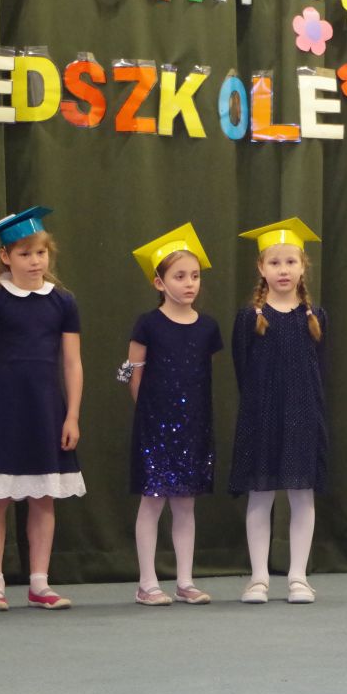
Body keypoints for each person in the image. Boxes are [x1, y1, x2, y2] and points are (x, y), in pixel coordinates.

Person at [0, 206, 85, 612]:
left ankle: (39, 582)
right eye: (25, 254)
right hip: (3, 410)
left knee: (43, 497)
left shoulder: (63, 302)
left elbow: (72, 363)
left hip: (45, 410)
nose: (35, 261)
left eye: (41, 253)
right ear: (5, 256)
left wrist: (72, 415)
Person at [123, 224, 222, 606]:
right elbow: (132, 373)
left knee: (185, 504)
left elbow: (201, 376)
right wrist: (150, 414)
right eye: (180, 276)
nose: (189, 283)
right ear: (159, 282)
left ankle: (185, 580)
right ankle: (147, 583)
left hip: (194, 426)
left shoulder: (208, 327)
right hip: (155, 426)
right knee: (152, 501)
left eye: (194, 276)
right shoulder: (148, 324)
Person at [230, 217, 328, 605]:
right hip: (262, 417)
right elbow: (242, 367)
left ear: (303, 266)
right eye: (274, 263)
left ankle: (298, 577)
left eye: (290, 262)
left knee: (302, 495)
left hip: (303, 416)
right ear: (261, 268)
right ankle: (258, 578)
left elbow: (320, 368)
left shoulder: (315, 317)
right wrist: (262, 405)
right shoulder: (249, 318)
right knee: (261, 495)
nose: (283, 270)